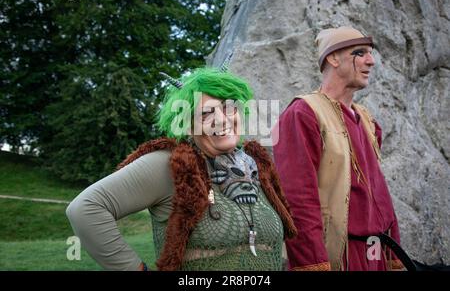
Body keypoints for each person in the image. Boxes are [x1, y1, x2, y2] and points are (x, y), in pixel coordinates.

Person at [66, 67, 297, 271]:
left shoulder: (256, 162)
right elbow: (84, 210)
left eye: (229, 107)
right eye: (206, 113)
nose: (221, 120)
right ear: (186, 123)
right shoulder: (170, 165)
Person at [272, 26, 404, 271]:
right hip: (339, 255)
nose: (371, 61)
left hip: (376, 251)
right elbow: (297, 199)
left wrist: (393, 252)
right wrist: (313, 263)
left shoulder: (367, 120)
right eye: (360, 52)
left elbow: (379, 191)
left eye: (371, 53)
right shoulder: (302, 114)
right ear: (333, 58)